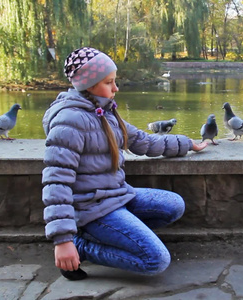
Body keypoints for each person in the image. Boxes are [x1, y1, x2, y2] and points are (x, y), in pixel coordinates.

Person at [42, 47, 207, 281]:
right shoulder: (70, 121)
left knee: (174, 204)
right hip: (91, 209)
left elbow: (143, 141)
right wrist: (63, 240)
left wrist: (186, 143)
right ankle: (82, 247)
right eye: (109, 82)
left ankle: (120, 235)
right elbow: (56, 182)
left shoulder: (104, 112)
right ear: (89, 84)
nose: (116, 88)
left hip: (116, 196)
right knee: (155, 261)